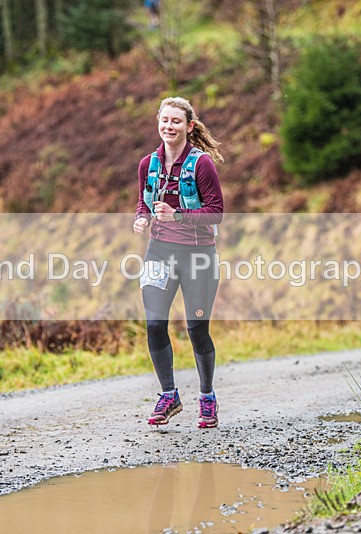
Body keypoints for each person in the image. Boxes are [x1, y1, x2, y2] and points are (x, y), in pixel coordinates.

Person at [133, 96, 224, 428]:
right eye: (164, 120)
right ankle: (169, 395)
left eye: (176, 121)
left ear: (189, 126)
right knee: (154, 324)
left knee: (196, 329)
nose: (169, 126)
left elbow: (216, 213)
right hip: (159, 252)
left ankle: (207, 397)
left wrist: (178, 215)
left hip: (198, 256)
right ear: (157, 121)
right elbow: (144, 203)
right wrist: (142, 218)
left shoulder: (202, 165)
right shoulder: (148, 164)